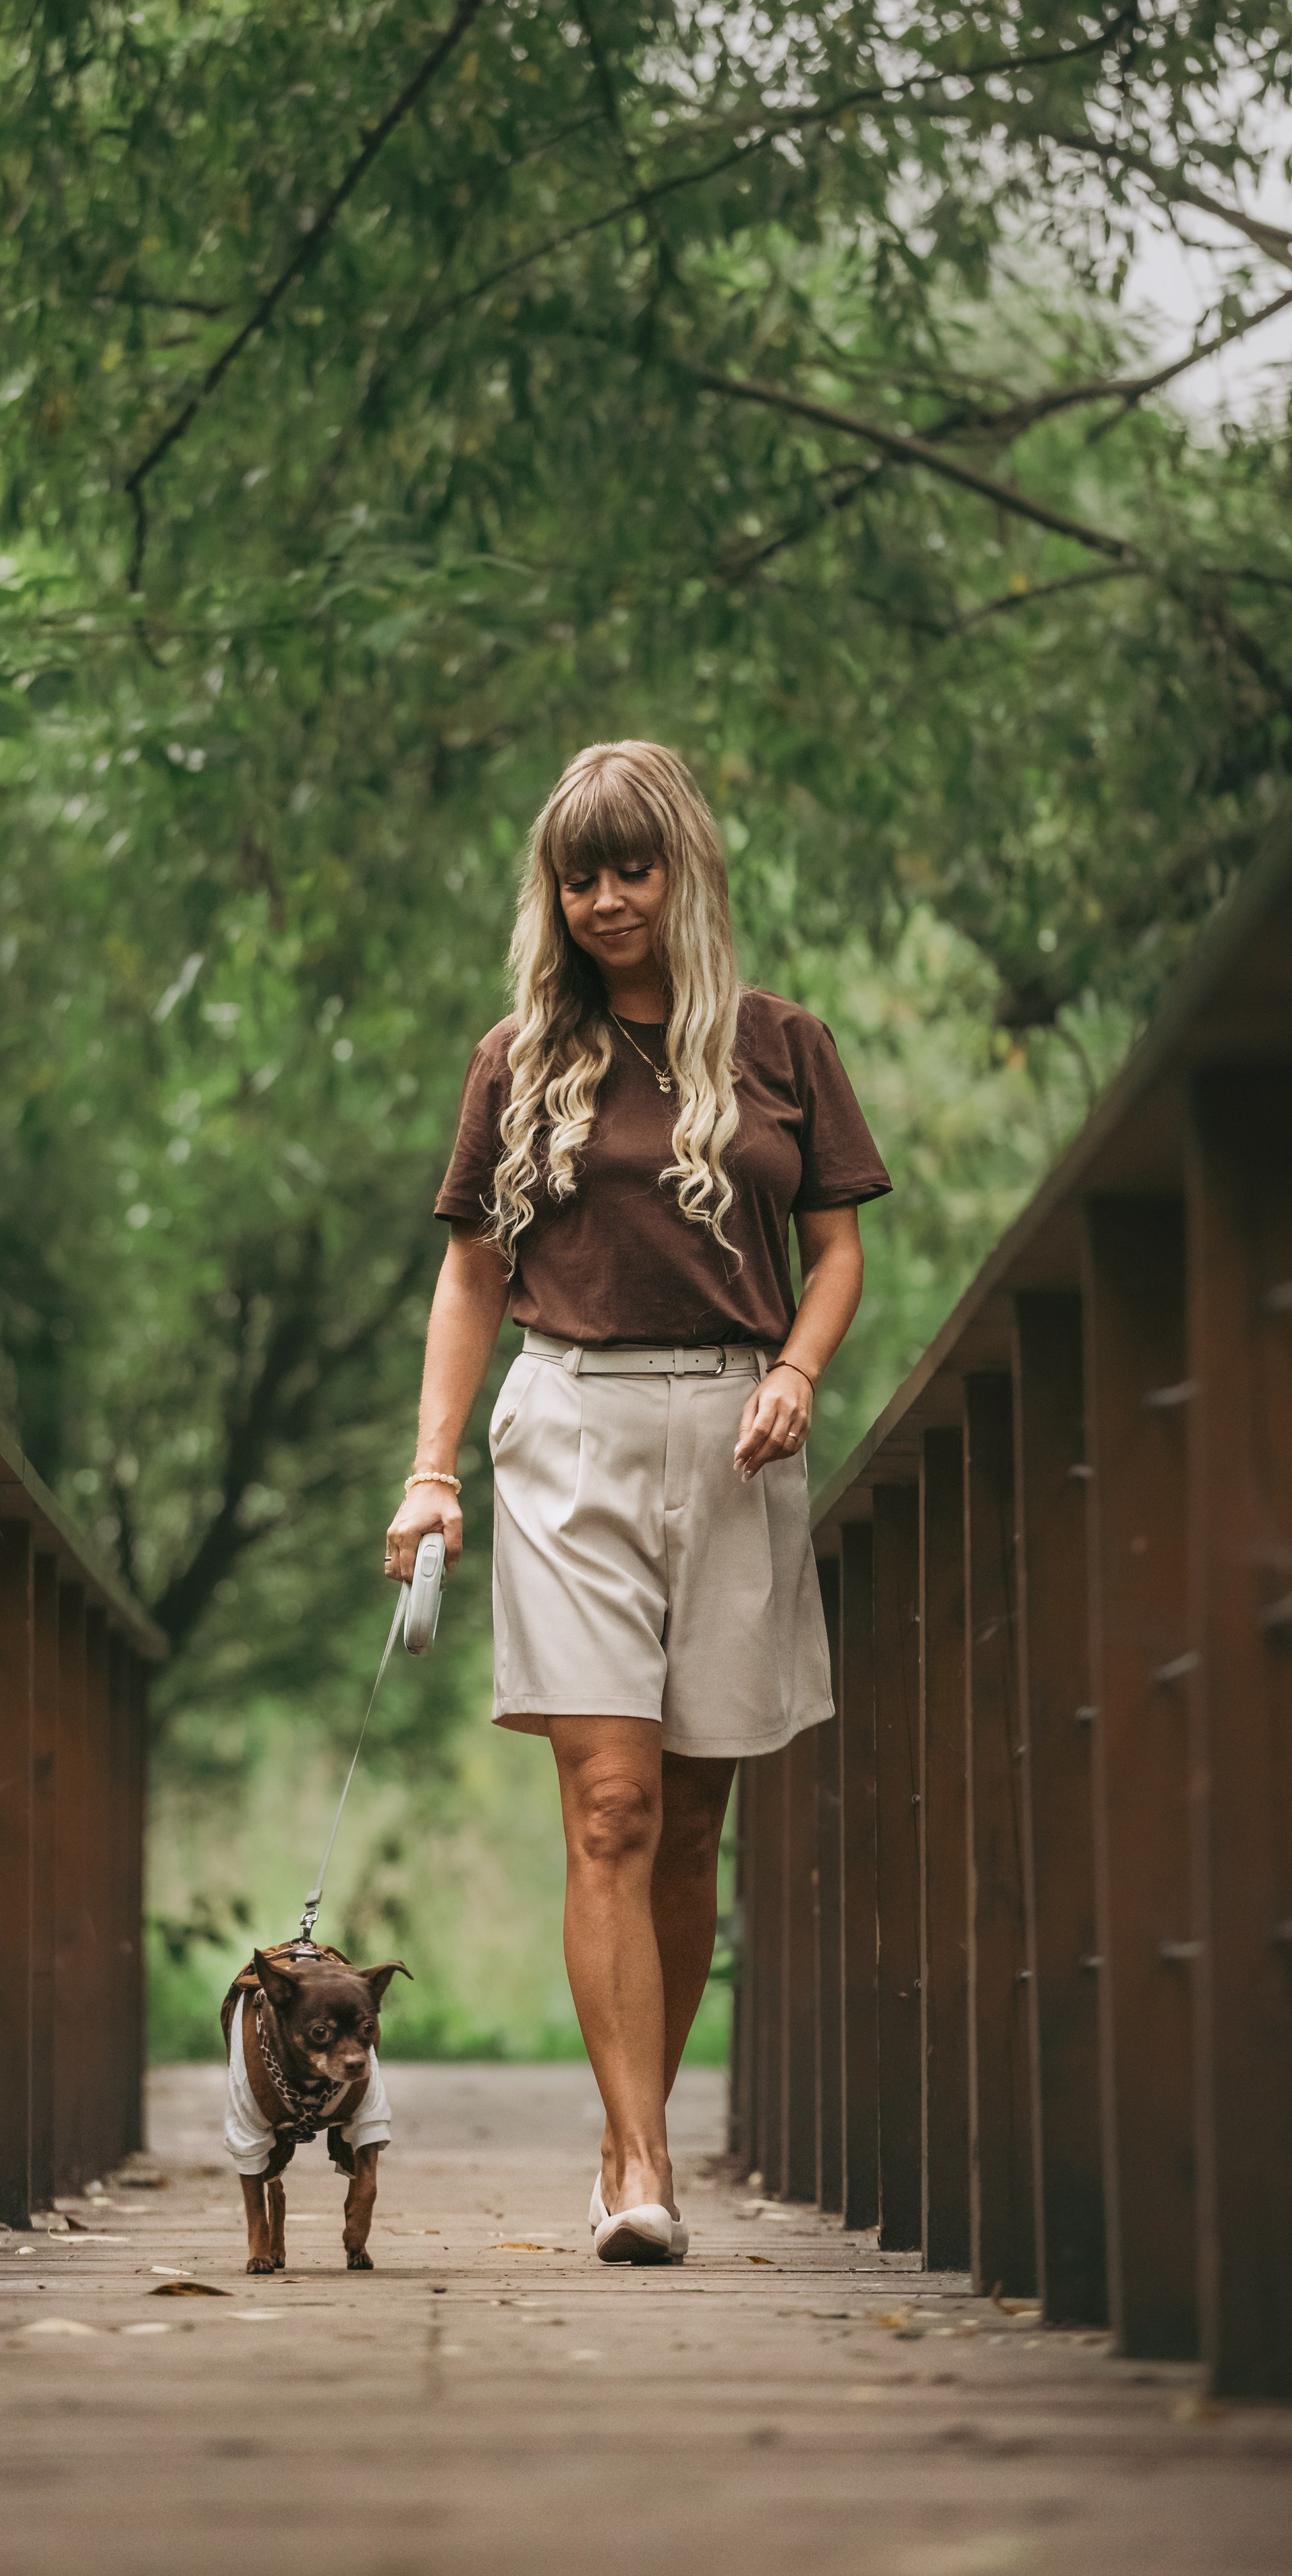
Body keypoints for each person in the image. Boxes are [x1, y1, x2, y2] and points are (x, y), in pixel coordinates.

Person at [384, 740, 890, 2263]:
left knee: (686, 1827)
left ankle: (633, 2139)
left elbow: (840, 1254)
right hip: (571, 1427)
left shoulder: (783, 1047)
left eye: (632, 867)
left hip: (739, 1432)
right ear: (555, 890)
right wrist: (430, 1470)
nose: (606, 899)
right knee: (607, 1803)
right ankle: (635, 2164)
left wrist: (797, 1368)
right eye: (578, 874)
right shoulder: (519, 1057)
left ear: (683, 871)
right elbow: (470, 1271)